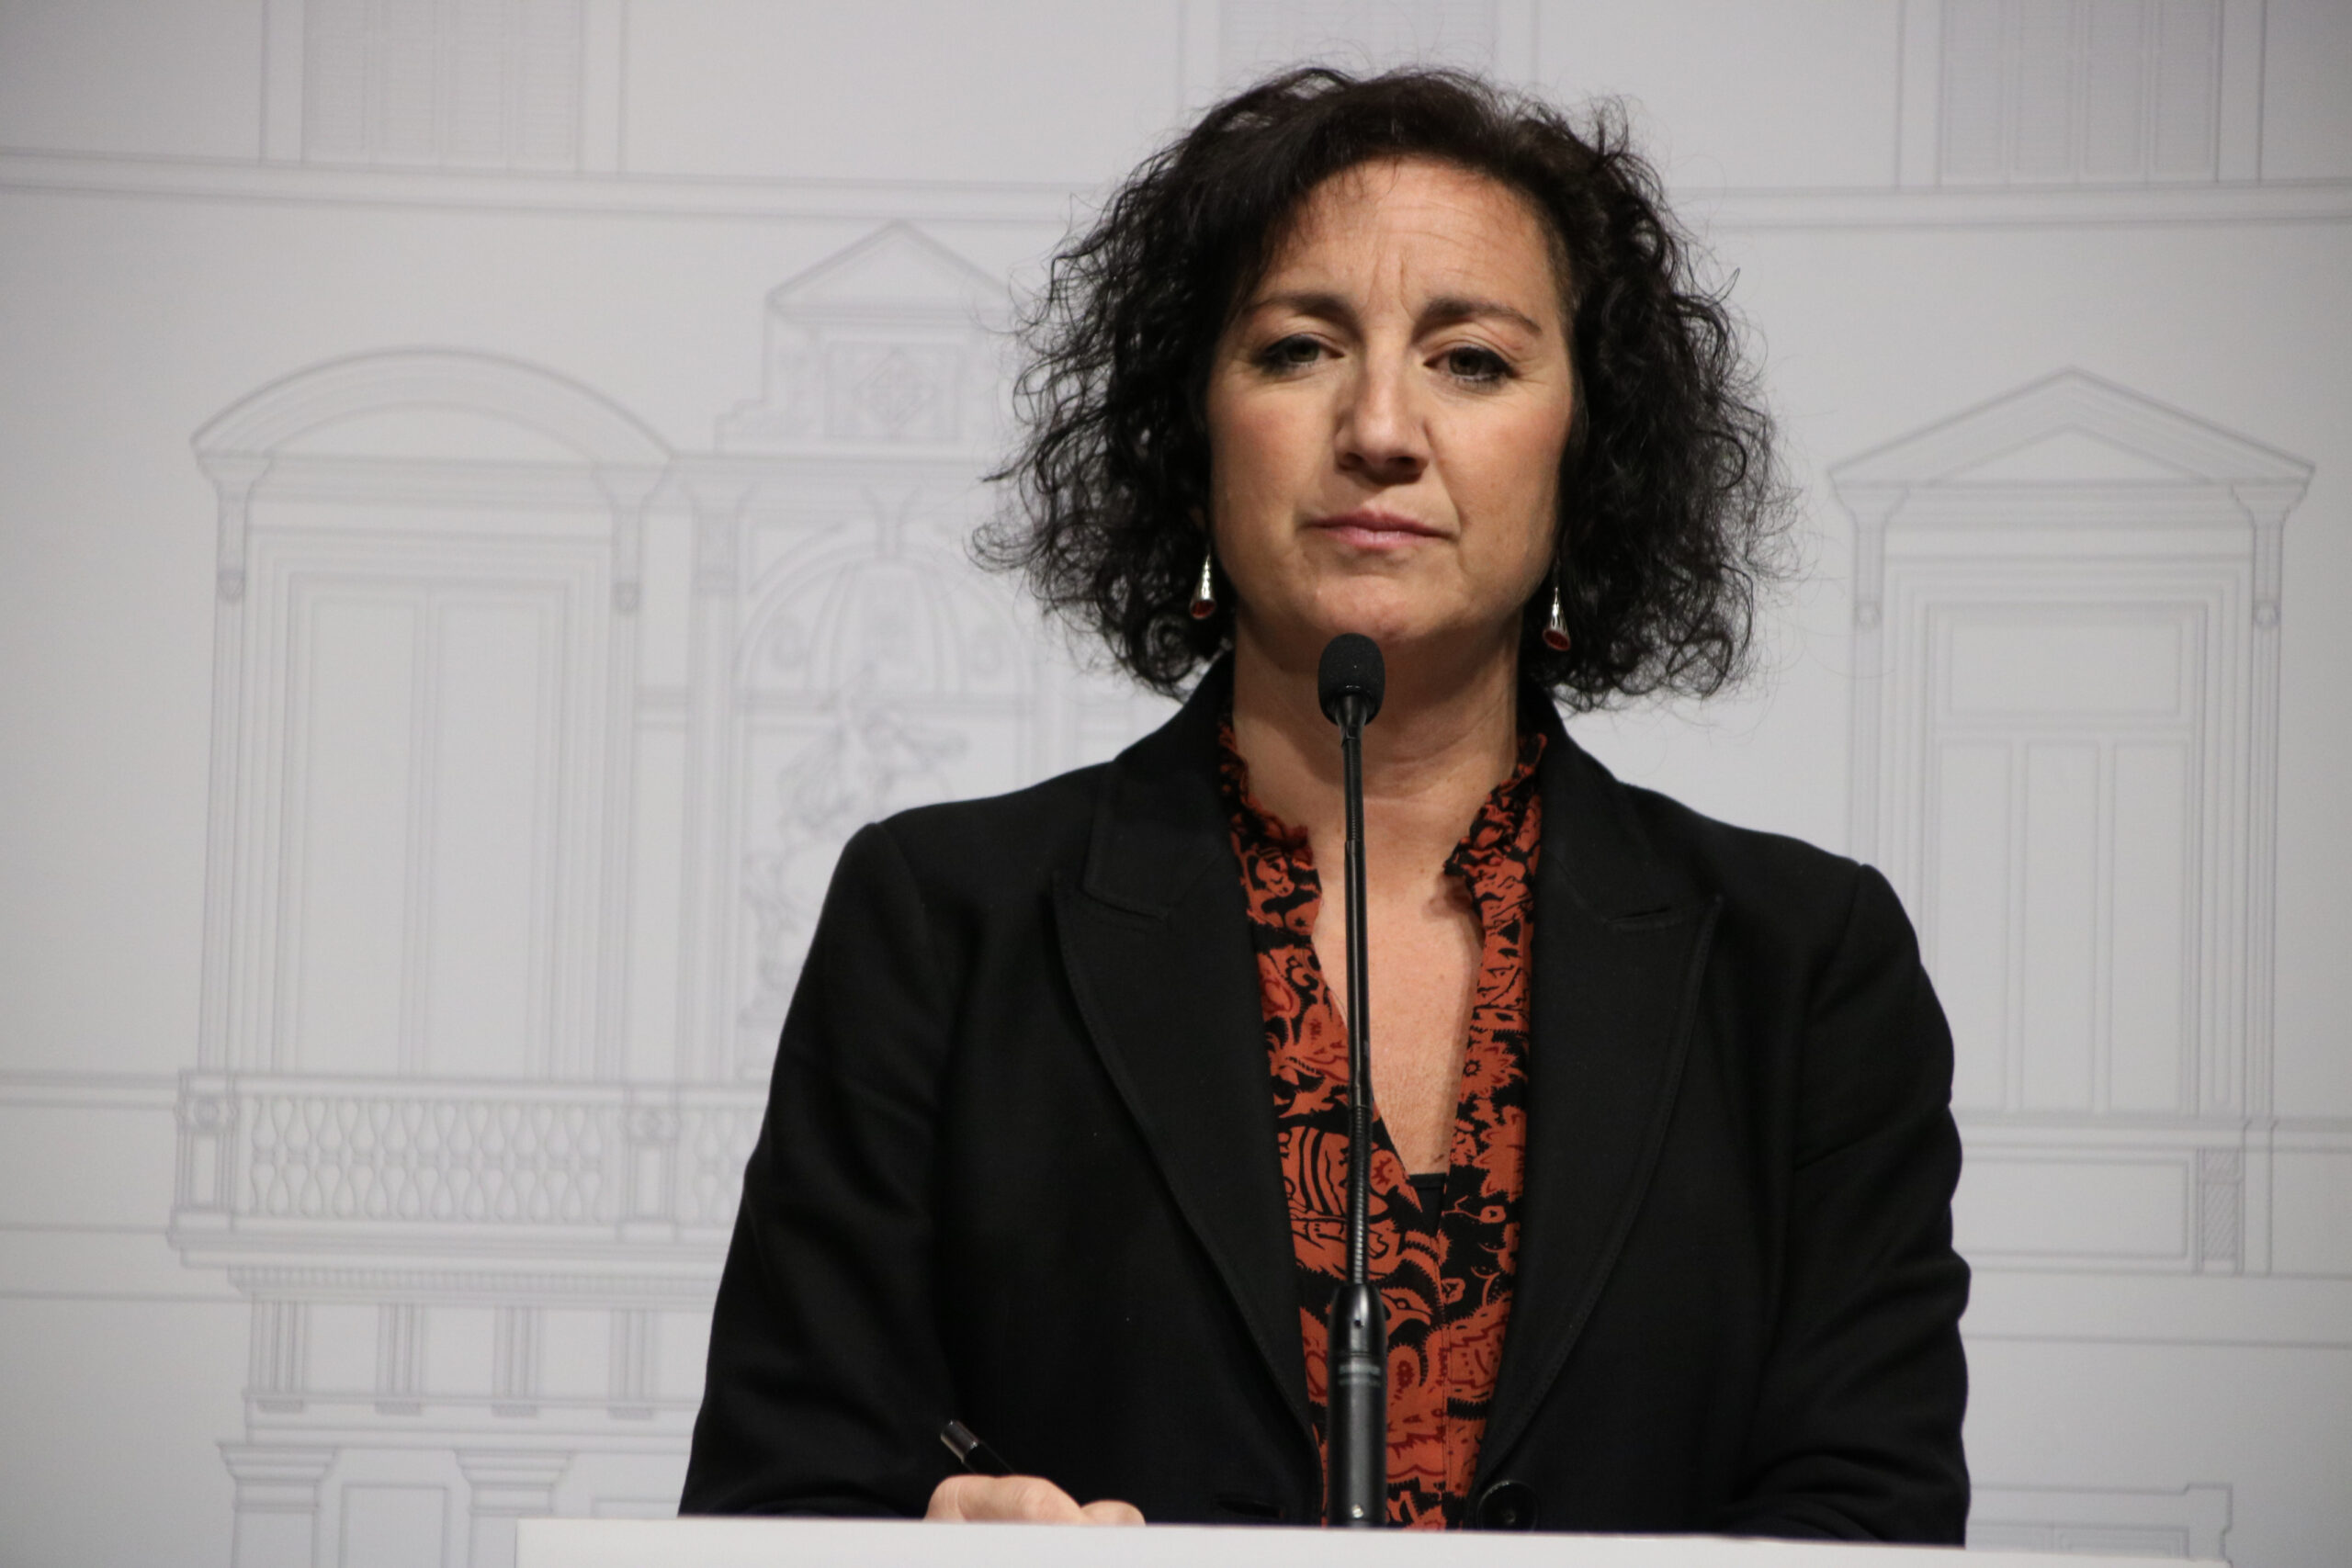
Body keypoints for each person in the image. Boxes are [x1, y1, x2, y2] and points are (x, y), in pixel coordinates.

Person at [681, 66, 1969, 1538]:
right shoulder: (943, 926)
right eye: (1299, 349)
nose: (1381, 428)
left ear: (1588, 449)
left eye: (1471, 361)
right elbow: (778, 1498)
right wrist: (935, 1544)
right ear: (1192, 434)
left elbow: (1872, 1523)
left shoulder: (1803, 968)